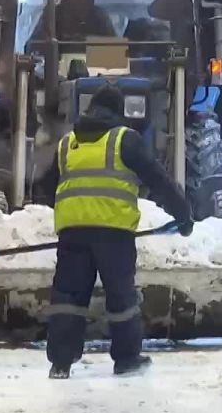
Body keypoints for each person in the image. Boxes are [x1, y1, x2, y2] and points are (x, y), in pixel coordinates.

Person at [44, 84, 193, 379]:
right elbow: (158, 179)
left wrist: (76, 212)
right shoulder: (125, 139)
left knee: (68, 297)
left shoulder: (67, 143)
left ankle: (60, 363)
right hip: (114, 235)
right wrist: (183, 214)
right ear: (118, 111)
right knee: (121, 298)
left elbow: (49, 188)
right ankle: (126, 359)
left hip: (73, 233)